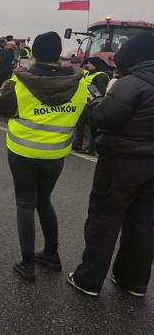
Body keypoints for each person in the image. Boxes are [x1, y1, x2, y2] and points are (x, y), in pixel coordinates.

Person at [0, 31, 86, 281]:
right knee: (44, 201)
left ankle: (27, 264)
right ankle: (52, 255)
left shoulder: (19, 82)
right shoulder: (81, 83)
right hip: (55, 155)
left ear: (33, 54)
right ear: (59, 55)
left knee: (25, 203)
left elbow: (0, 106)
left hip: (22, 151)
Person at [68, 32, 154, 297]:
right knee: (143, 223)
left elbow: (104, 118)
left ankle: (88, 279)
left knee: (104, 218)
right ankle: (134, 281)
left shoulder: (132, 83)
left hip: (121, 162)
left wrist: (96, 102)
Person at [72, 57, 111, 155]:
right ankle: (78, 144)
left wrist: (91, 94)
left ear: (95, 65)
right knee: (80, 124)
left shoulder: (101, 75)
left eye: (90, 64)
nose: (87, 65)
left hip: (92, 104)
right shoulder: (88, 73)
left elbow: (100, 92)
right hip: (82, 103)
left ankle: (88, 147)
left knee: (89, 126)